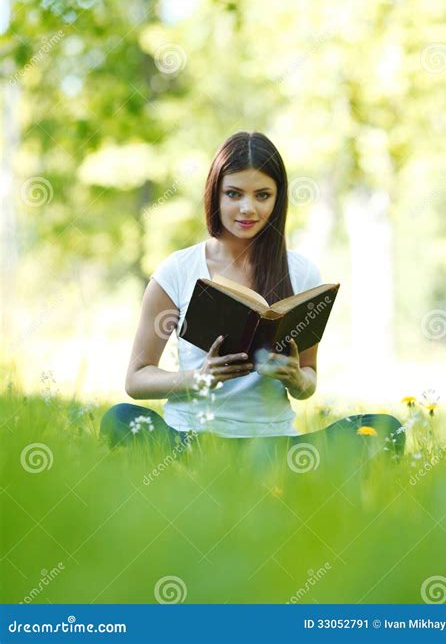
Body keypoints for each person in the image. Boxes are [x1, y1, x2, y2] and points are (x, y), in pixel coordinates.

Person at [100, 131, 405, 461]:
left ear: (278, 199)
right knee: (119, 419)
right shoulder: (177, 270)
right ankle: (212, 473)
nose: (248, 208)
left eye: (262, 195)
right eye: (234, 194)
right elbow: (137, 378)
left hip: (273, 447)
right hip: (192, 441)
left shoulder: (301, 272)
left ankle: (264, 475)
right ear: (215, 194)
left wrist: (295, 378)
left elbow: (309, 379)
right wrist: (200, 378)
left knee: (387, 429)